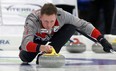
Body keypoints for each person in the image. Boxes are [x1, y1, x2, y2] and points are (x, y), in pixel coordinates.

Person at [19, 3, 113, 64]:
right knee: (26, 58)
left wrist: (101, 39)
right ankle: (36, 52)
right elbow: (25, 43)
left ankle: (49, 53)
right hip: (37, 39)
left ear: (56, 16)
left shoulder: (63, 15)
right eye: (45, 21)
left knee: (71, 27)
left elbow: (84, 25)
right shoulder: (32, 19)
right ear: (40, 18)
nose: (49, 25)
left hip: (53, 36)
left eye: (52, 21)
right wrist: (41, 47)